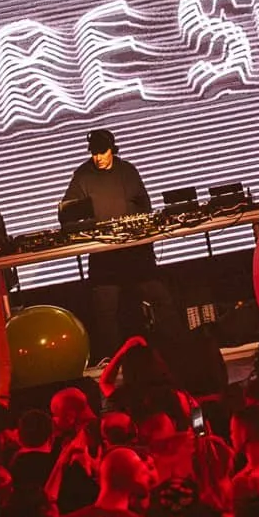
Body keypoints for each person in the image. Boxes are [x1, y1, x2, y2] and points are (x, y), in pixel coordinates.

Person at [58, 127, 173, 357]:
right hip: (104, 260)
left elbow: (144, 206)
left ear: (112, 150)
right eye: (94, 153)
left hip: (136, 256)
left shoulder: (128, 171)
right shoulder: (82, 175)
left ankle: (173, 351)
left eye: (102, 152)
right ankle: (113, 362)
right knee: (104, 310)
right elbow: (67, 213)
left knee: (161, 299)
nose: (97, 158)